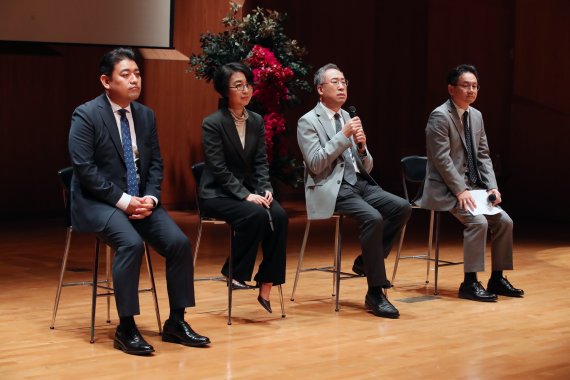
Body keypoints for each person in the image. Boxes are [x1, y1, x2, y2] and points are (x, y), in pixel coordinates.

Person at [68, 47, 210, 355]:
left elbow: (156, 162)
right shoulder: (87, 114)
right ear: (106, 81)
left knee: (179, 243)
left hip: (139, 200)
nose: (135, 80)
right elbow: (85, 170)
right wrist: (124, 201)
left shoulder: (145, 115)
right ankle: (126, 328)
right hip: (98, 202)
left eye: (137, 74)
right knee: (131, 244)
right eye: (126, 74)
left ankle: (175, 322)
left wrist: (150, 197)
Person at [297, 63, 411, 319]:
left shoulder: (347, 117)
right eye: (335, 82)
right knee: (373, 218)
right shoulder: (307, 121)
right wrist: (342, 137)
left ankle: (365, 262)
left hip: (359, 184)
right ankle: (375, 292)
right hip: (331, 187)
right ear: (320, 89)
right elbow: (315, 164)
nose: (341, 86)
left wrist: (361, 147)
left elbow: (367, 165)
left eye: (344, 82)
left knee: (401, 208)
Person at [420, 64, 524, 302]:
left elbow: (483, 154)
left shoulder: (476, 116)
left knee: (505, 221)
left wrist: (492, 186)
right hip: (446, 188)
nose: (471, 90)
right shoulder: (440, 116)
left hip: (474, 188)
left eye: (475, 86)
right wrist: (460, 190)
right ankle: (469, 282)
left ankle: (497, 278)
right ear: (451, 88)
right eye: (465, 86)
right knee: (478, 222)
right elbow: (442, 159)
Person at [199, 62, 288, 314]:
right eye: (238, 85)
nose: (245, 89)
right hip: (216, 192)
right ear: (224, 91)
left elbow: (260, 161)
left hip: (248, 189)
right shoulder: (212, 123)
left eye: (247, 84)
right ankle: (234, 271)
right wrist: (246, 195)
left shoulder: (256, 121)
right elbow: (217, 167)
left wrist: (265, 188)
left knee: (279, 215)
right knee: (256, 214)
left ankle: (267, 282)